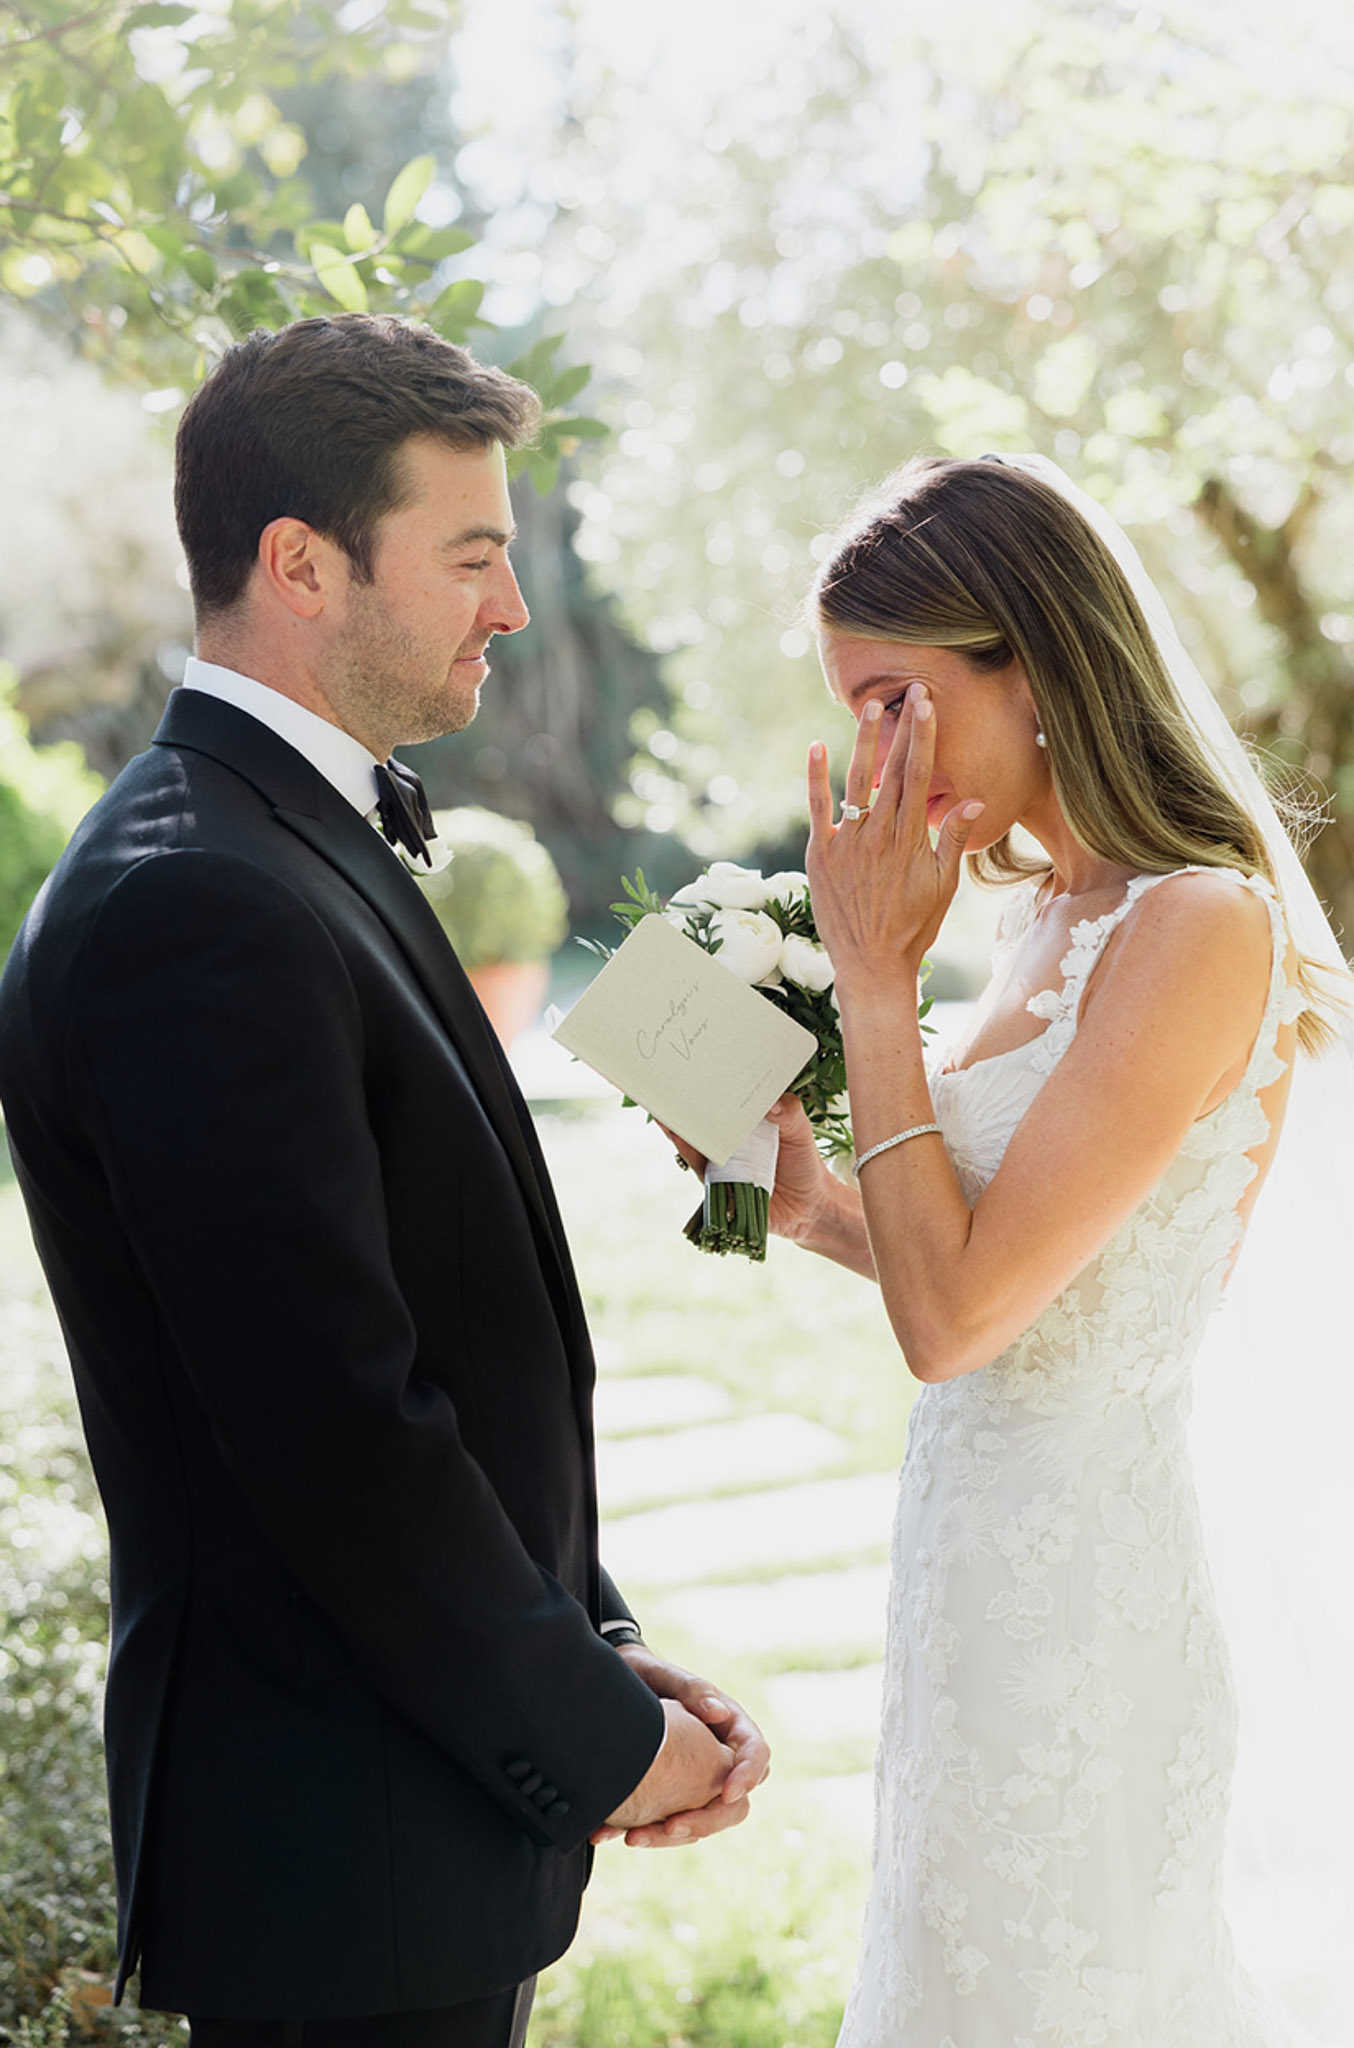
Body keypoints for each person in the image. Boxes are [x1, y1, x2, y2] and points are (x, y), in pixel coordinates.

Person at [0, 313, 769, 2048]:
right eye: (472, 556)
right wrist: (595, 1742)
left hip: (402, 1823)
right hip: (337, 1846)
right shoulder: (192, 899)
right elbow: (337, 1430)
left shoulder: (281, 841)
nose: (508, 604)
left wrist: (596, 1652)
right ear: (300, 564)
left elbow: (432, 1340)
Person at [670, 454, 1352, 2045]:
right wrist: (806, 1200)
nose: (872, 756)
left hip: (1087, 1599)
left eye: (896, 697)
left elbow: (956, 1319)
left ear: (1033, 664)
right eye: (852, 708)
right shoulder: (1036, 918)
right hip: (966, 1559)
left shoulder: (1197, 926)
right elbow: (983, 1277)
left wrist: (873, 989)